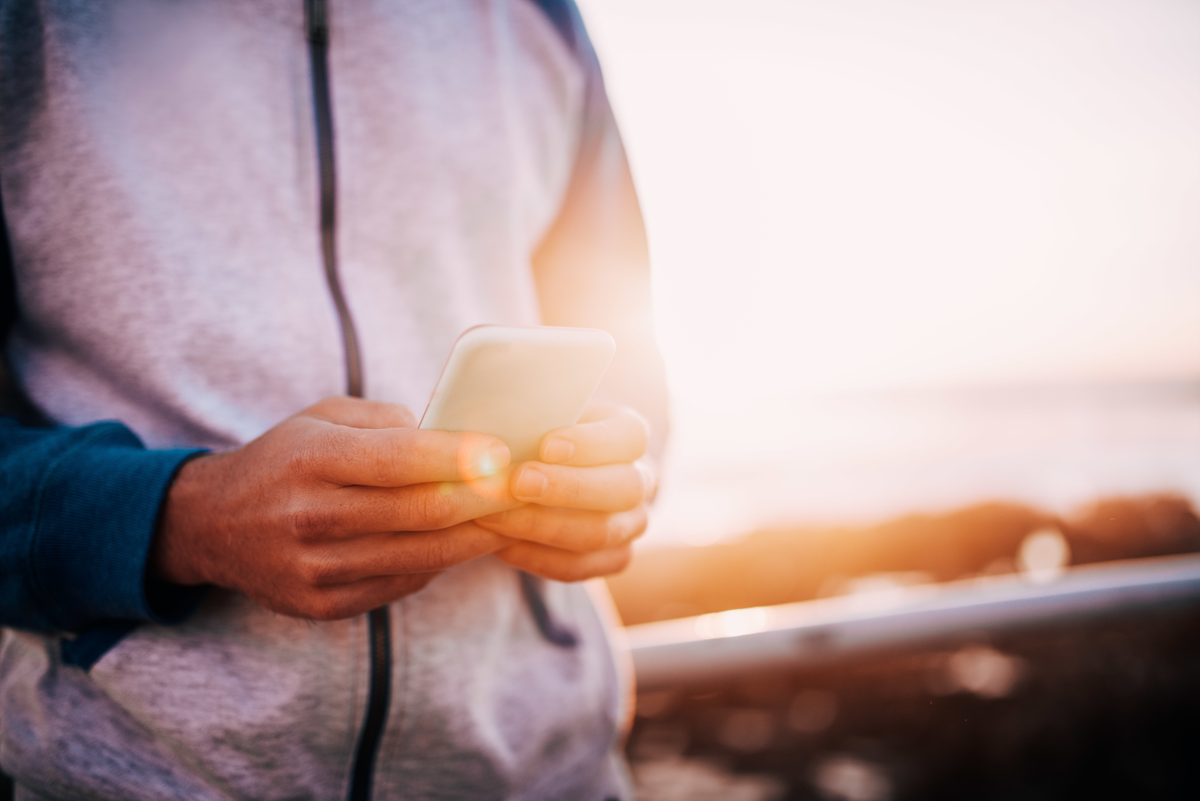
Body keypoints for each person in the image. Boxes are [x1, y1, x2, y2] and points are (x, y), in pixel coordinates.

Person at [0, 1, 667, 798]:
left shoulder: (539, 17)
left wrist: (617, 487)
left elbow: (625, 359)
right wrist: (182, 520)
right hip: (138, 776)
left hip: (555, 773)